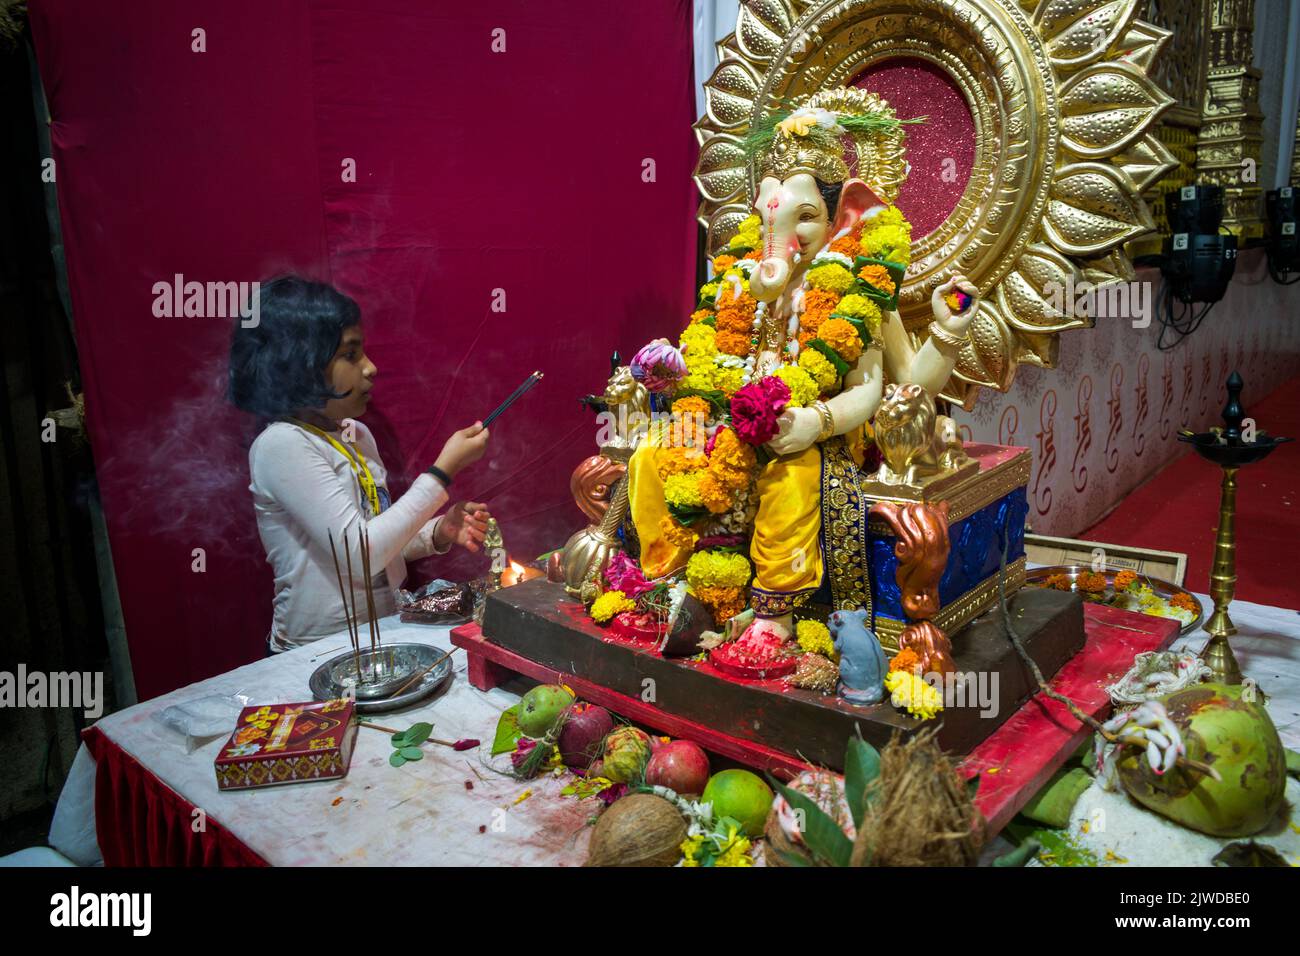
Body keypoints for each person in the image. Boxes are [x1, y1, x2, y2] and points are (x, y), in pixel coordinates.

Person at [229, 276, 491, 652]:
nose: (371, 368)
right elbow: (361, 555)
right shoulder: (282, 444)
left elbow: (379, 543)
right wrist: (441, 473)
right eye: (350, 355)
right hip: (314, 653)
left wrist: (438, 532)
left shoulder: (356, 435)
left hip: (383, 637)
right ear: (298, 363)